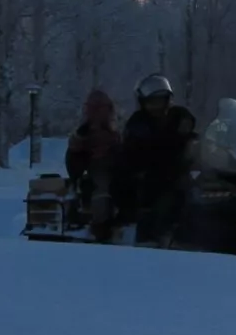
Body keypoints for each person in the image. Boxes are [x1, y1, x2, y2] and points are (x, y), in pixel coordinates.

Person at [112, 74, 198, 245]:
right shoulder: (138, 123)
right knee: (160, 201)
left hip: (179, 173)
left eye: (160, 101)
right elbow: (134, 153)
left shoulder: (177, 116)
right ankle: (153, 240)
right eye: (152, 102)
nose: (157, 107)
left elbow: (190, 129)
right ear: (144, 103)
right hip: (149, 177)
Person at [65, 89, 121, 241]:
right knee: (101, 192)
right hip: (94, 176)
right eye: (94, 109)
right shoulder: (83, 135)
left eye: (101, 109)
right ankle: (100, 228)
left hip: (118, 174)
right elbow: (73, 166)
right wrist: (79, 146)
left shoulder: (116, 134)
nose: (98, 114)